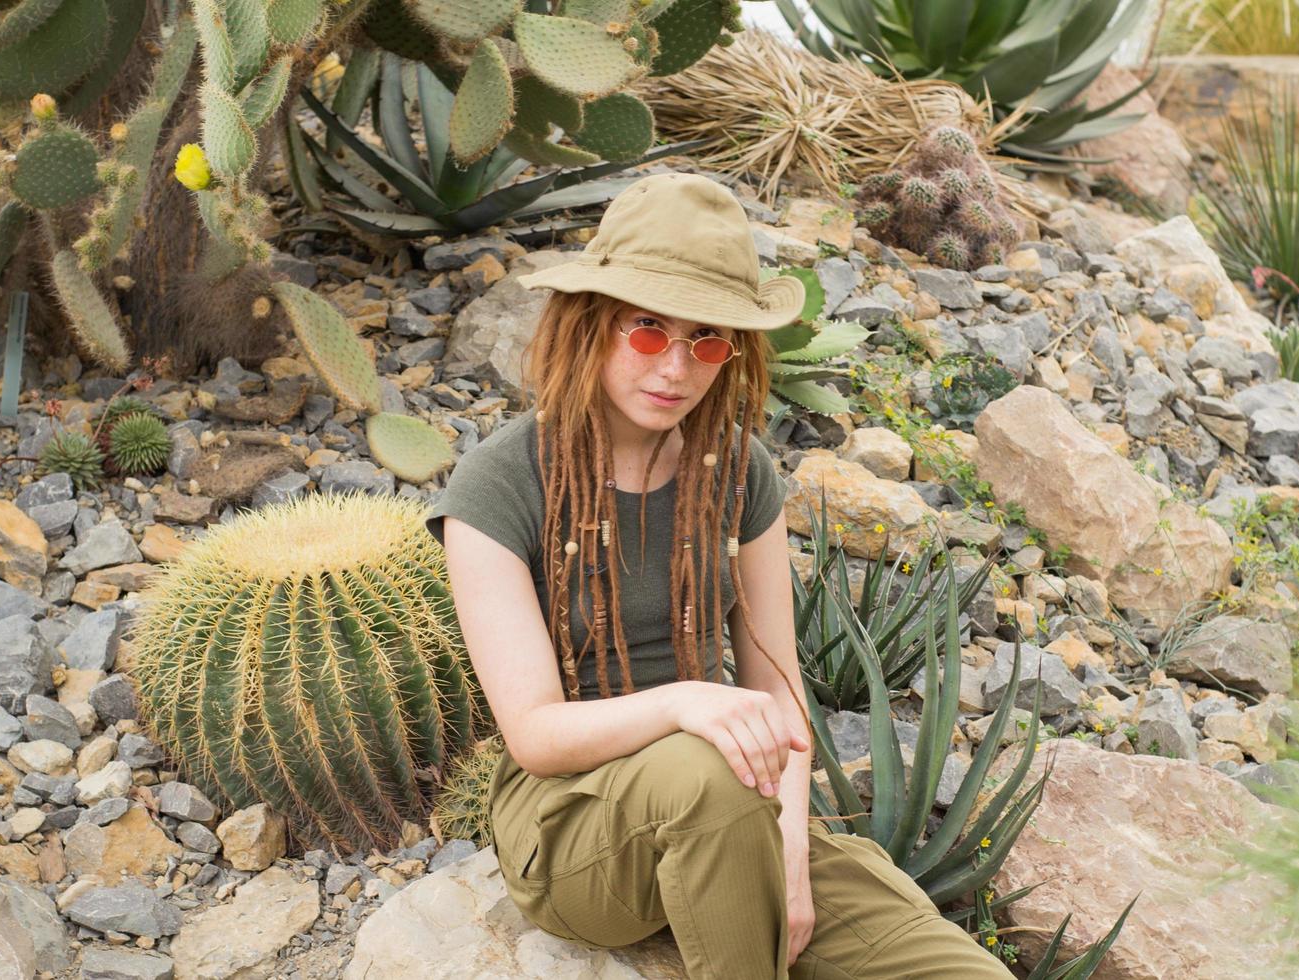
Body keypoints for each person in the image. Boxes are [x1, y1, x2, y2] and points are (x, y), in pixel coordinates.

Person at [424, 173, 1012, 979]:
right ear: (589, 323)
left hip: (741, 806)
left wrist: (794, 852)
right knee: (709, 775)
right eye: (646, 329)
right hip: (575, 828)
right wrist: (684, 700)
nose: (676, 367)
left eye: (706, 338)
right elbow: (535, 733)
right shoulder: (498, 486)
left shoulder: (737, 470)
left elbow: (778, 692)